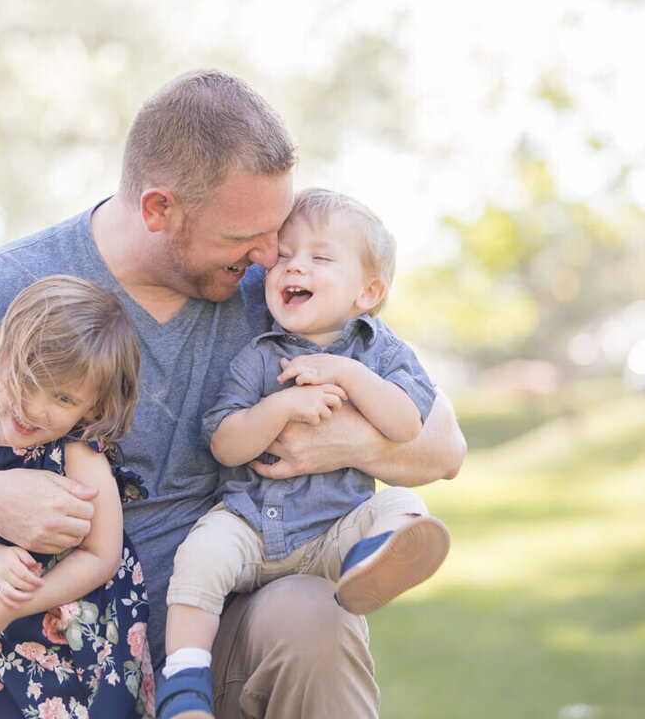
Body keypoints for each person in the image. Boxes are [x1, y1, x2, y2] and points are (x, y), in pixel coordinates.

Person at [0, 69, 467, 719]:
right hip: (71, 661)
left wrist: (333, 440)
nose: (271, 253)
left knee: (312, 616)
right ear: (159, 208)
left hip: (222, 631)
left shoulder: (276, 294)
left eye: (276, 228)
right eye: (244, 235)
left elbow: (443, 446)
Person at [155, 188, 451, 717]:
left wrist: (346, 374)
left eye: (319, 257)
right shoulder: (259, 355)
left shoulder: (378, 352)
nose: (294, 267)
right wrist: (281, 406)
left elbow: (407, 424)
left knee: (400, 503)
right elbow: (225, 443)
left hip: (330, 532)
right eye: (285, 255)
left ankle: (373, 562)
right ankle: (184, 683)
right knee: (198, 556)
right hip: (248, 523)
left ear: (367, 292)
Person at [0, 275, 153, 716]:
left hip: (81, 635)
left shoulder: (78, 453)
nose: (34, 407)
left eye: (63, 397)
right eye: (27, 380)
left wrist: (14, 605)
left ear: (93, 408)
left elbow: (103, 556)